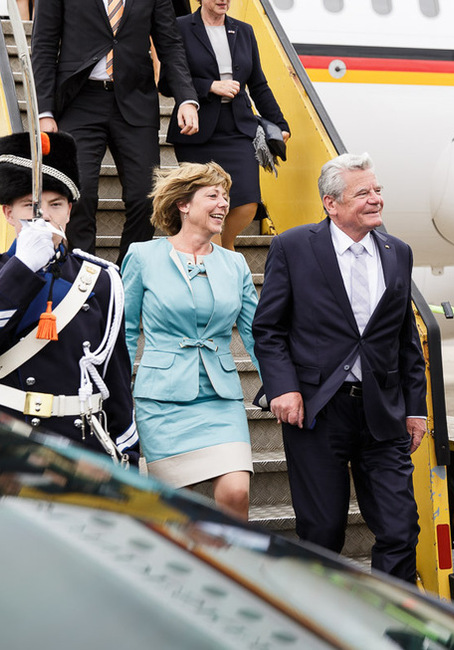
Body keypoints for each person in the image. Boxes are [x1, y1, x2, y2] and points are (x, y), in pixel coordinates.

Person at [251, 153, 427, 582]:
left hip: (382, 412)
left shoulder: (397, 252)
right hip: (317, 409)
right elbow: (269, 328)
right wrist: (282, 388)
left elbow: (404, 337)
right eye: (363, 192)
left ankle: (389, 625)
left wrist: (416, 407)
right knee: (323, 530)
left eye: (378, 190)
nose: (375, 199)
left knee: (401, 527)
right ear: (331, 203)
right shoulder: (292, 247)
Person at [0, 131, 139, 465]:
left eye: (56, 205)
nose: (45, 217)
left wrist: (127, 452)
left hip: (81, 442)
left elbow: (115, 375)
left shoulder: (102, 278)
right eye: (31, 207)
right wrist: (22, 268)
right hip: (6, 441)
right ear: (9, 213)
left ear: (69, 211)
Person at [122, 162, 259, 519]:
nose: (224, 204)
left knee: (236, 492)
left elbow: (257, 332)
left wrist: (281, 384)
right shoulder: (142, 256)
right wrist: (117, 388)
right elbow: (124, 329)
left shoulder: (236, 264)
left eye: (226, 197)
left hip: (220, 396)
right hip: (161, 397)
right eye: (212, 195)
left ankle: (231, 570)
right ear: (184, 204)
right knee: (172, 508)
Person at [31, 0, 200, 265]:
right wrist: (45, 112)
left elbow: (170, 44)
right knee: (79, 194)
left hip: (135, 100)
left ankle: (125, 276)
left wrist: (186, 98)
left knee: (147, 197)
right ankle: (84, 275)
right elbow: (43, 45)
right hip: (79, 100)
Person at [162, 0, 289, 251]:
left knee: (246, 203)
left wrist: (279, 123)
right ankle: (217, 259)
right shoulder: (180, 27)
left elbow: (258, 84)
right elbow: (166, 83)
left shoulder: (244, 30)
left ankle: (219, 250)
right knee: (205, 205)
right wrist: (209, 86)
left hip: (239, 129)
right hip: (197, 130)